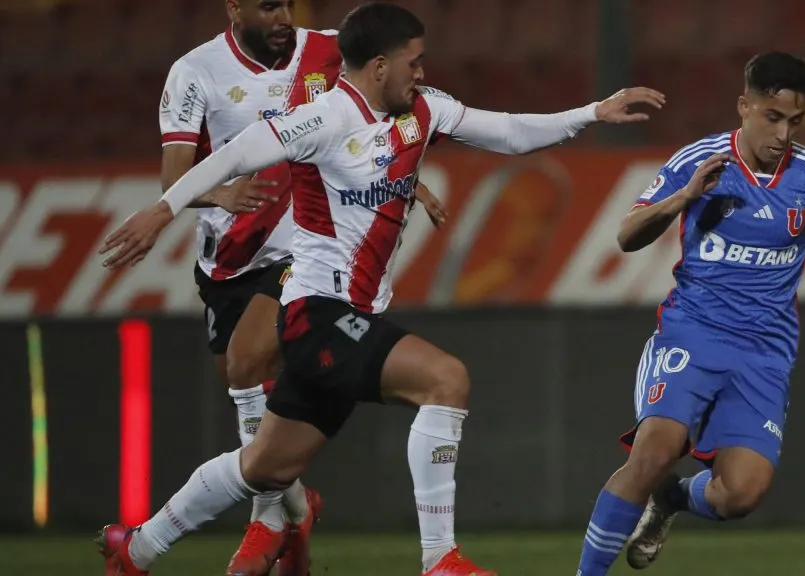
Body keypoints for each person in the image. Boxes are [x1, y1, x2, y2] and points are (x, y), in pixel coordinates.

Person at [96, 2, 665, 575]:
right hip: (316, 311)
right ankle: (439, 558)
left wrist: (593, 111)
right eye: (412, 62)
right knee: (446, 379)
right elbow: (240, 153)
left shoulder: (424, 111)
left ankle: (137, 548)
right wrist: (162, 210)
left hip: (348, 316)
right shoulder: (324, 118)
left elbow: (510, 131)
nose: (422, 72)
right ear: (377, 66)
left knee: (263, 466)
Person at [154, 1, 445, 573]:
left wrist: (408, 180)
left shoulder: (331, 49)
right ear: (234, 8)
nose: (283, 15)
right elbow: (175, 174)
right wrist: (220, 196)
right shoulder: (196, 72)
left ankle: (263, 524)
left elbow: (376, 119)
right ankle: (292, 510)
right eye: (267, 5)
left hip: (303, 244)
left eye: (288, 2)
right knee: (255, 414)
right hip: (228, 260)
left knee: (245, 362)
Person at [573, 51, 805, 576]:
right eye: (773, 117)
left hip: (765, 353)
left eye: (795, 121)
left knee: (741, 494)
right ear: (744, 106)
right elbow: (627, 235)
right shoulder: (699, 161)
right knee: (655, 451)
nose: (783, 133)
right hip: (693, 333)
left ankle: (672, 500)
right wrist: (683, 197)